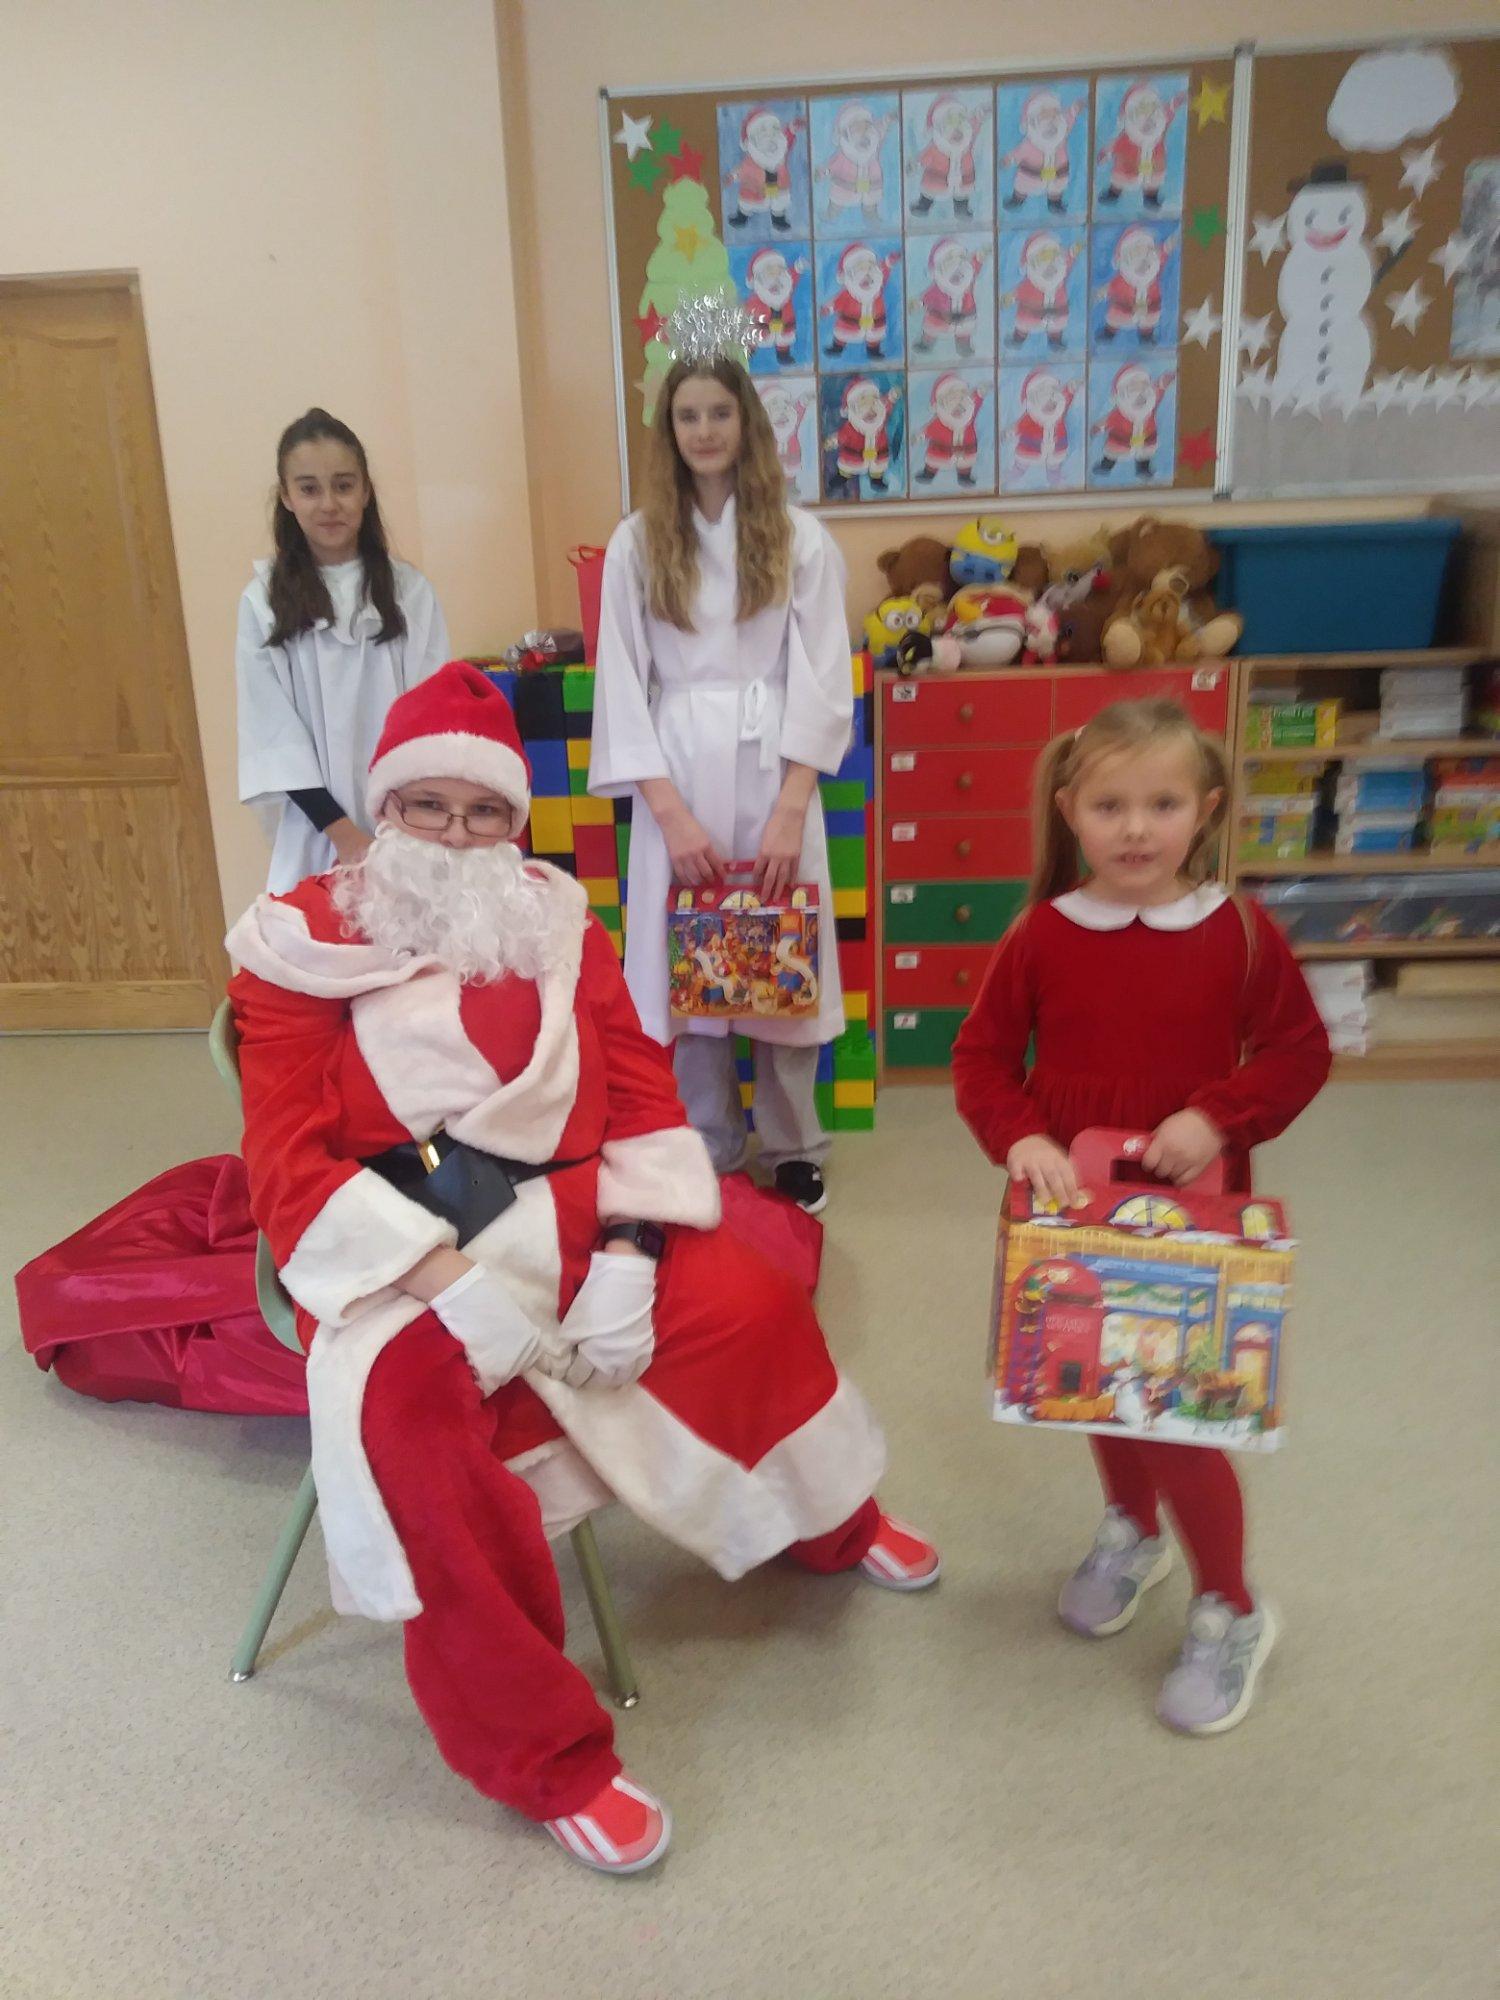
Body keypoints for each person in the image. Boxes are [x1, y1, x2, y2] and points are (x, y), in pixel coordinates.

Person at [227, 661, 939, 1877]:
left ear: (516, 820)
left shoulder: (557, 917)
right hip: (396, 1245)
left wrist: (630, 1250)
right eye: (428, 806)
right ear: (384, 808)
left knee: (754, 1300)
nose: (457, 835)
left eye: (484, 810)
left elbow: (642, 1085)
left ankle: (832, 1518)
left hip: (573, 1210)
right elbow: (284, 1160)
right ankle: (547, 1755)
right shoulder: (297, 941)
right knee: (412, 1438)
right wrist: (444, 1283)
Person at [951, 699, 1330, 1736]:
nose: (1134, 828)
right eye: (1109, 805)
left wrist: (1218, 1116)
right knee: (1093, 1386)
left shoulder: (1239, 932)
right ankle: (1133, 1525)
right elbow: (982, 1059)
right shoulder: (1040, 933)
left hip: (1192, 1212)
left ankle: (1233, 1607)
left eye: (1162, 804)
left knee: (1182, 1409)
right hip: (1071, 1208)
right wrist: (1020, 1135)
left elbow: (1298, 1051)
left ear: (1205, 810)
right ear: (1069, 809)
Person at [589, 303, 853, 1216]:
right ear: (670, 429)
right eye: (688, 415)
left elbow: (823, 678)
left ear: (747, 423)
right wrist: (668, 813)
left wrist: (791, 807)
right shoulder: (636, 542)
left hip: (774, 765)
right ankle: (707, 1135)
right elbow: (622, 682)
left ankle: (792, 1145)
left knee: (781, 951)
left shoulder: (799, 537)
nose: (704, 431)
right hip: (677, 768)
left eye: (720, 413)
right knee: (689, 959)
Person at [236, 408, 450, 892]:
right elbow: (276, 736)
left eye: (344, 485)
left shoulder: (410, 593)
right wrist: (345, 837)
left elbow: (430, 718)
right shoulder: (262, 602)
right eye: (309, 489)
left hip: (408, 826)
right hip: (318, 832)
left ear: (366, 491)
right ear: (286, 496)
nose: (329, 504)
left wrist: (405, 825)